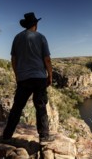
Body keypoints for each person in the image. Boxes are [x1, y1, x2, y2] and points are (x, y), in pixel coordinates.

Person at [3, 12, 54, 142]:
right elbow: (47, 59)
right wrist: (50, 76)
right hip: (39, 78)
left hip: (23, 78)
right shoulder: (41, 37)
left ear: (26, 25)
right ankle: (44, 137)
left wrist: (17, 75)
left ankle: (7, 135)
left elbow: (13, 60)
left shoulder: (17, 38)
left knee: (17, 107)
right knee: (41, 107)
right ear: (35, 24)